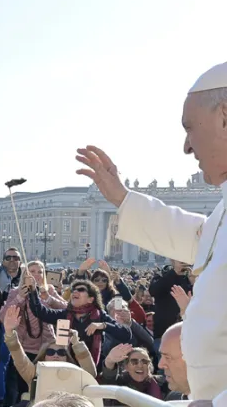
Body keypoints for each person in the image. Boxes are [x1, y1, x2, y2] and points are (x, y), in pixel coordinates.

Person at [75, 63, 227, 405]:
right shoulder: (222, 211)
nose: (187, 146)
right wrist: (123, 199)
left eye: (190, 128)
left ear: (224, 117)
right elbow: (197, 235)